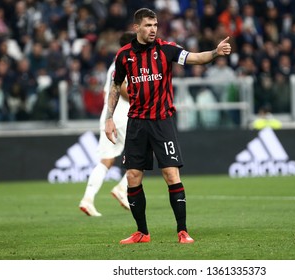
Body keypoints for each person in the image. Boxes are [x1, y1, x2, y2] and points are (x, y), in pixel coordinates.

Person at [105, 8, 231, 244]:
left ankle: (182, 231)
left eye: (155, 25)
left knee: (171, 173)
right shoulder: (124, 55)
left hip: (162, 122)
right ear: (137, 28)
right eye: (148, 25)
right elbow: (115, 87)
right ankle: (142, 232)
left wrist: (215, 52)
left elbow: (195, 57)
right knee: (133, 176)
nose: (153, 29)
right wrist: (109, 118)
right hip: (137, 123)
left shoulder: (166, 49)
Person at [79, 31, 136, 217]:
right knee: (143, 151)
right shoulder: (128, 60)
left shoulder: (114, 63)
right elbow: (124, 90)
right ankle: (122, 187)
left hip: (109, 115)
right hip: (123, 114)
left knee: (107, 160)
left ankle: (87, 199)